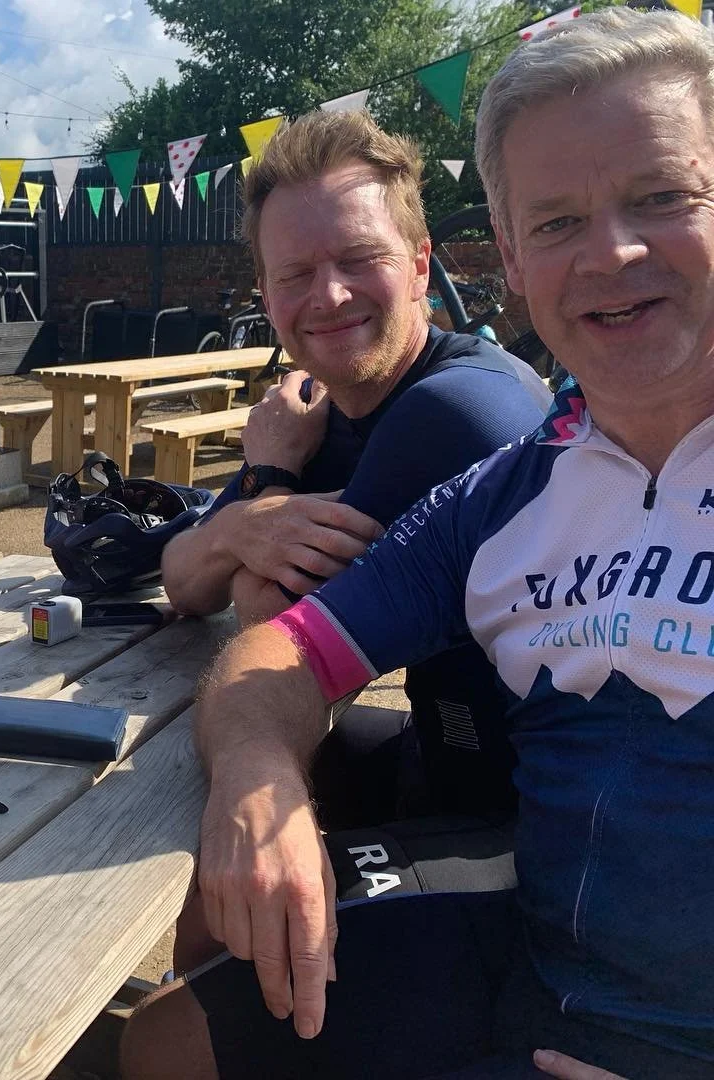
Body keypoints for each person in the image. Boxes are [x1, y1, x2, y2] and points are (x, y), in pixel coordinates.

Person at [123, 9, 714, 1079]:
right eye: (556, 222)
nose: (612, 253)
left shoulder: (463, 418)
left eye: (662, 198)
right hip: (538, 961)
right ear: (514, 267)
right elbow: (280, 648)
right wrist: (259, 778)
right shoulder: (506, 493)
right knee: (165, 1041)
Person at [162, 109, 551, 827]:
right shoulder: (323, 416)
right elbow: (184, 581)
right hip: (445, 756)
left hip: (523, 821)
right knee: (179, 778)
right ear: (267, 295)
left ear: (420, 266)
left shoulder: (463, 410)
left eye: (358, 258)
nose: (329, 295)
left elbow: (277, 618)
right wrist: (255, 502)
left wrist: (267, 485)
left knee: (197, 829)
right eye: (297, 273)